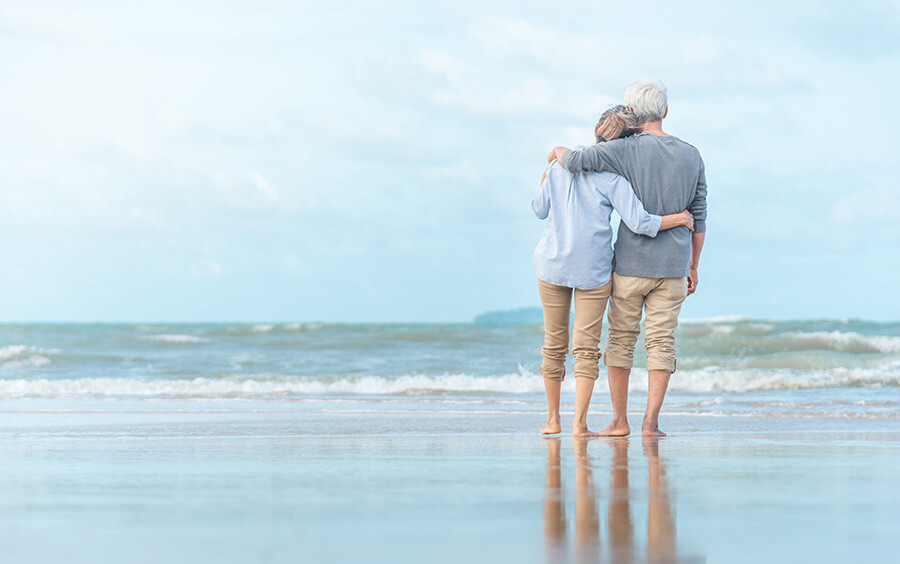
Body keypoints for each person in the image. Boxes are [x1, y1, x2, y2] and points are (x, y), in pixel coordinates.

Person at [547, 80, 708, 437]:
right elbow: (699, 213)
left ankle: (620, 422)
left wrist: (557, 150)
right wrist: (694, 265)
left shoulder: (622, 149)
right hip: (673, 265)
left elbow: (574, 161)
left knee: (621, 339)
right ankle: (651, 424)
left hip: (631, 264)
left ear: (631, 114)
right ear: (665, 111)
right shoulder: (692, 155)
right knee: (662, 341)